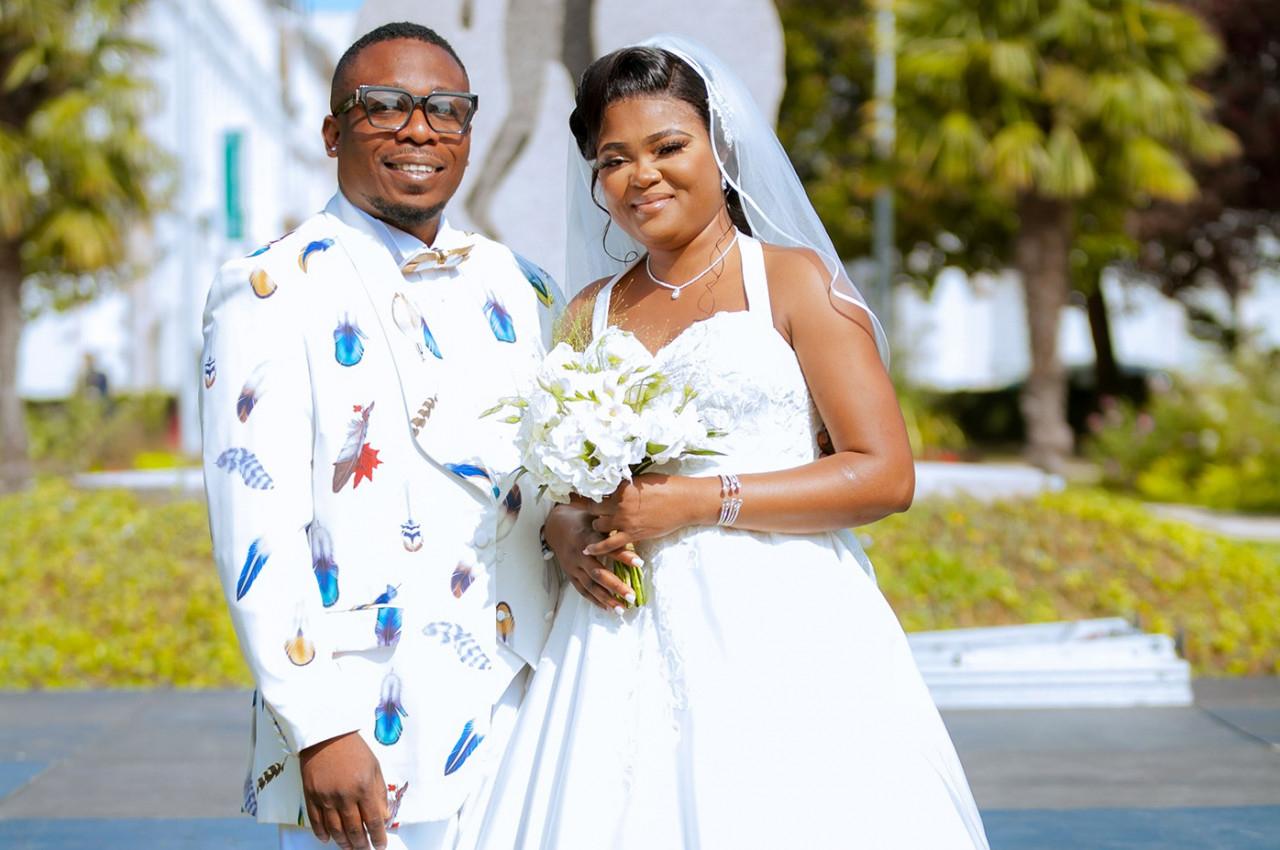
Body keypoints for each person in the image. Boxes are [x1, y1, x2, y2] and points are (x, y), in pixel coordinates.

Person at [464, 37, 991, 849]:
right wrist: (568, 529)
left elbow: (884, 475)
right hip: (614, 636)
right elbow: (560, 490)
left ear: (721, 147)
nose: (642, 176)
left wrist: (705, 499)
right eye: (613, 160)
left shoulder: (793, 281)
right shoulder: (588, 314)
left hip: (782, 619)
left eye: (668, 147)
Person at [200, 22, 575, 850]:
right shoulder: (269, 288)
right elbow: (254, 521)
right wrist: (320, 726)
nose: (419, 128)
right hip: (369, 719)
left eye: (446, 109)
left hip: (536, 701)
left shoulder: (526, 284)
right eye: (385, 106)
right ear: (334, 130)